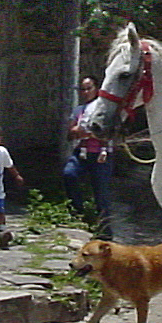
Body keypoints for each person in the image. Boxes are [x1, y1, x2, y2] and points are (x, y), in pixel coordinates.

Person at [63, 76, 114, 240]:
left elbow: (109, 131)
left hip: (101, 154)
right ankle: (78, 212)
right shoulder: (78, 110)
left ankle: (105, 229)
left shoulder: (105, 108)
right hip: (82, 153)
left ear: (96, 89)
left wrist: (89, 133)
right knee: (69, 174)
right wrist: (78, 132)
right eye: (82, 89)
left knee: (101, 191)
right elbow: (70, 134)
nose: (85, 93)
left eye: (88, 88)